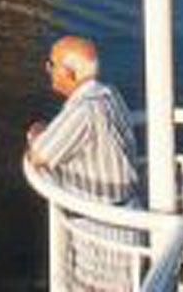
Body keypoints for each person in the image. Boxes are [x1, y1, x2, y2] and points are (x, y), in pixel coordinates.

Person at [26, 36, 140, 289]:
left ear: (70, 73)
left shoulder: (85, 110)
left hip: (103, 229)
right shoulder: (108, 94)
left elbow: (39, 155)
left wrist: (35, 133)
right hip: (125, 217)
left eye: (51, 64)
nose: (48, 70)